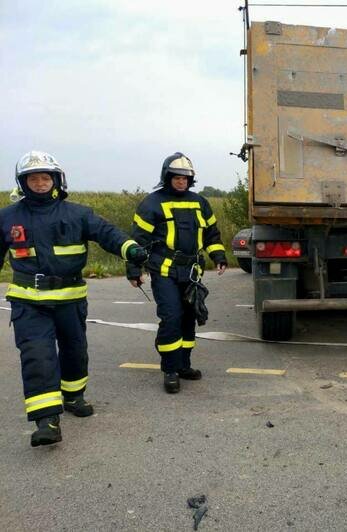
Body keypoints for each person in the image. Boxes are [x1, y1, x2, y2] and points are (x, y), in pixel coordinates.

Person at [0, 151, 147, 447]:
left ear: (56, 180)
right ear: (23, 183)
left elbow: (108, 233)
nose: (40, 183)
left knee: (74, 350)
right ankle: (47, 421)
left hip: (71, 299)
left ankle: (73, 396)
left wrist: (130, 249)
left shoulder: (78, 214)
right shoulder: (8, 217)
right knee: (37, 356)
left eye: (45, 177)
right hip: (29, 301)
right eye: (33, 178)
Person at [127, 152, 227, 394]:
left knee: (188, 317)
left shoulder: (200, 202)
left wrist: (219, 256)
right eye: (177, 178)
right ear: (167, 177)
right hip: (164, 271)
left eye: (186, 178)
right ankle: (170, 370)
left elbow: (212, 234)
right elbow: (138, 239)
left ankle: (184, 365)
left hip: (192, 272)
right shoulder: (152, 203)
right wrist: (133, 269)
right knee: (171, 317)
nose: (181, 182)